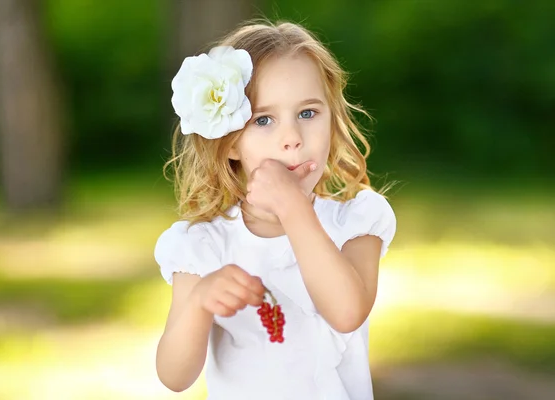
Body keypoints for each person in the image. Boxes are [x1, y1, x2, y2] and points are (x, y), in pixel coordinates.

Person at [154, 19, 397, 400]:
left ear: (332, 119)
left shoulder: (355, 222)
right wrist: (200, 302)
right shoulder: (204, 245)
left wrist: (293, 208)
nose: (292, 139)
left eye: (308, 113)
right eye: (264, 120)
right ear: (230, 143)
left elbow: (347, 312)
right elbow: (174, 376)